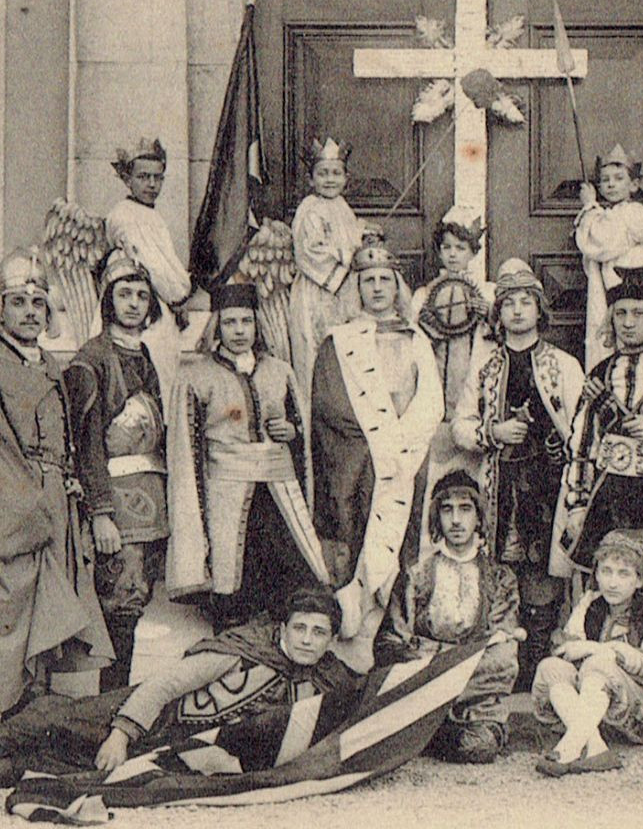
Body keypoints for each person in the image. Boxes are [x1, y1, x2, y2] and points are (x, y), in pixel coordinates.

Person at [0, 587, 359, 798]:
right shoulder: (243, 651)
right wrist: (121, 734)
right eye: (301, 629)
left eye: (319, 633)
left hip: (171, 750)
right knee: (44, 719)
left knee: (43, 766)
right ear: (284, 627)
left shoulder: (326, 682)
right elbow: (164, 685)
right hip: (138, 716)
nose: (307, 641)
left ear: (332, 638)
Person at [0, 250, 113, 719]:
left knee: (55, 599)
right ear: (0, 310)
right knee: (15, 600)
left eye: (37, 303)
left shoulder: (49, 364)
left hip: (55, 498)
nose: (29, 312)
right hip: (9, 504)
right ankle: (16, 706)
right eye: (18, 302)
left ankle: (44, 708)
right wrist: (30, 506)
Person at [450, 258, 583, 686]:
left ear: (540, 311)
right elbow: (461, 426)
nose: (518, 311)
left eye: (527, 302)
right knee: (501, 569)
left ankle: (540, 668)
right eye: (509, 304)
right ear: (498, 314)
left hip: (549, 487)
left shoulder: (562, 364)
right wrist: (495, 432)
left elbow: (582, 426)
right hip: (501, 486)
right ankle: (501, 668)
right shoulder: (486, 366)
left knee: (546, 571)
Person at [309, 231, 443, 651]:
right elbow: (330, 406)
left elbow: (430, 402)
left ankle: (395, 634)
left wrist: (404, 445)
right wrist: (372, 449)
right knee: (357, 539)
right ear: (358, 288)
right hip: (360, 462)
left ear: (396, 286)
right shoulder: (339, 342)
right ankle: (354, 634)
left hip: (406, 457)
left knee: (406, 541)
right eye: (369, 281)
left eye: (385, 280)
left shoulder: (417, 338)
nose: (378, 288)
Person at [167, 282, 330, 628]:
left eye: (246, 322)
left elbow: (299, 435)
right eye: (230, 323)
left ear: (257, 325)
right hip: (226, 496)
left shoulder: (279, 371)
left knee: (292, 578)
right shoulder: (197, 376)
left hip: (277, 494)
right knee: (234, 587)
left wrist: (291, 432)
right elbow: (187, 449)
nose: (239, 331)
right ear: (217, 327)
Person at [556, 267, 643, 598]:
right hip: (613, 498)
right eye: (620, 313)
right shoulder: (601, 373)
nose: (628, 322)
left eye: (638, 313)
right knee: (612, 585)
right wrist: (578, 503)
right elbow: (582, 443)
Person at [63, 249, 168, 692]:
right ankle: (110, 708)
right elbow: (85, 443)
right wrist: (100, 511)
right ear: (108, 301)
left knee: (135, 604)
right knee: (119, 608)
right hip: (116, 501)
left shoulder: (143, 354)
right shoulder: (91, 360)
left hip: (150, 498)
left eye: (142, 295)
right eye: (124, 294)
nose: (133, 303)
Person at [378, 471, 522, 764]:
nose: (456, 520)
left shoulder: (499, 579)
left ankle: (432, 736)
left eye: (465, 509)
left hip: (477, 702)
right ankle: (426, 729)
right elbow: (393, 642)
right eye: (447, 510)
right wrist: (459, 658)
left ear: (479, 517)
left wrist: (436, 657)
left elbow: (501, 656)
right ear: (437, 517)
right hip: (423, 694)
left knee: (479, 747)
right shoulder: (415, 576)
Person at [531, 530, 643, 776]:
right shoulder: (592, 602)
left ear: (640, 579)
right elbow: (566, 650)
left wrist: (601, 650)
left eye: (623, 573)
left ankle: (569, 748)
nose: (612, 582)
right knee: (549, 667)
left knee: (598, 664)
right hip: (598, 708)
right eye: (605, 571)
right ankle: (595, 748)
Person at [412, 204, 496, 528]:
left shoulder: (486, 293)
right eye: (446, 247)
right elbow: (413, 343)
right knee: (435, 467)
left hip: (469, 390)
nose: (452, 254)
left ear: (473, 252)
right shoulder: (425, 295)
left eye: (460, 248)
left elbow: (499, 337)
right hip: (435, 392)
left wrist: (487, 312)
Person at [104, 135, 208, 387]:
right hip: (144, 312)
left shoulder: (150, 216)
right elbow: (155, 267)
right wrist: (180, 296)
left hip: (160, 310)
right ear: (127, 180)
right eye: (143, 177)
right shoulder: (125, 216)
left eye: (157, 177)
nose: (152, 184)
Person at [573, 145, 643, 369]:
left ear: (634, 184)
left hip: (638, 291)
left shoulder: (636, 214)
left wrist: (589, 206)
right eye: (605, 180)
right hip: (616, 290)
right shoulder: (610, 215)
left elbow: (602, 241)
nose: (611, 184)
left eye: (618, 178)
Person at [289, 137, 368, 405]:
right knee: (314, 355)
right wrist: (349, 256)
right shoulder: (309, 209)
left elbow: (349, 238)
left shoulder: (342, 208)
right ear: (311, 180)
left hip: (342, 290)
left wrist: (363, 236)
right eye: (323, 174)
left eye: (336, 173)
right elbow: (310, 252)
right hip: (317, 290)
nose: (330, 180)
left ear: (346, 178)